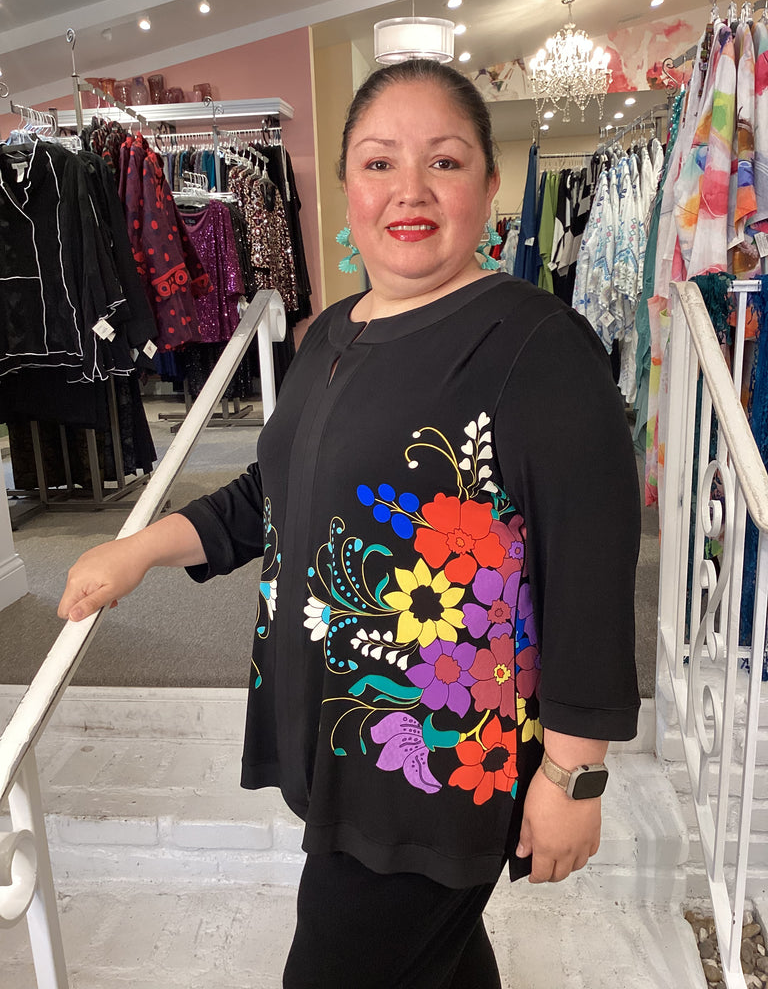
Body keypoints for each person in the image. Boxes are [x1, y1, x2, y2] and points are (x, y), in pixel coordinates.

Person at [58, 59, 641, 989]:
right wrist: (141, 549)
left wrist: (574, 775)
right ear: (345, 187)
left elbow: (591, 570)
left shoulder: (535, 345)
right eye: (379, 163)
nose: (410, 190)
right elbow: (278, 492)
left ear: (490, 183)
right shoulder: (330, 333)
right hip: (339, 732)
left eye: (443, 161)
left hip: (439, 767)